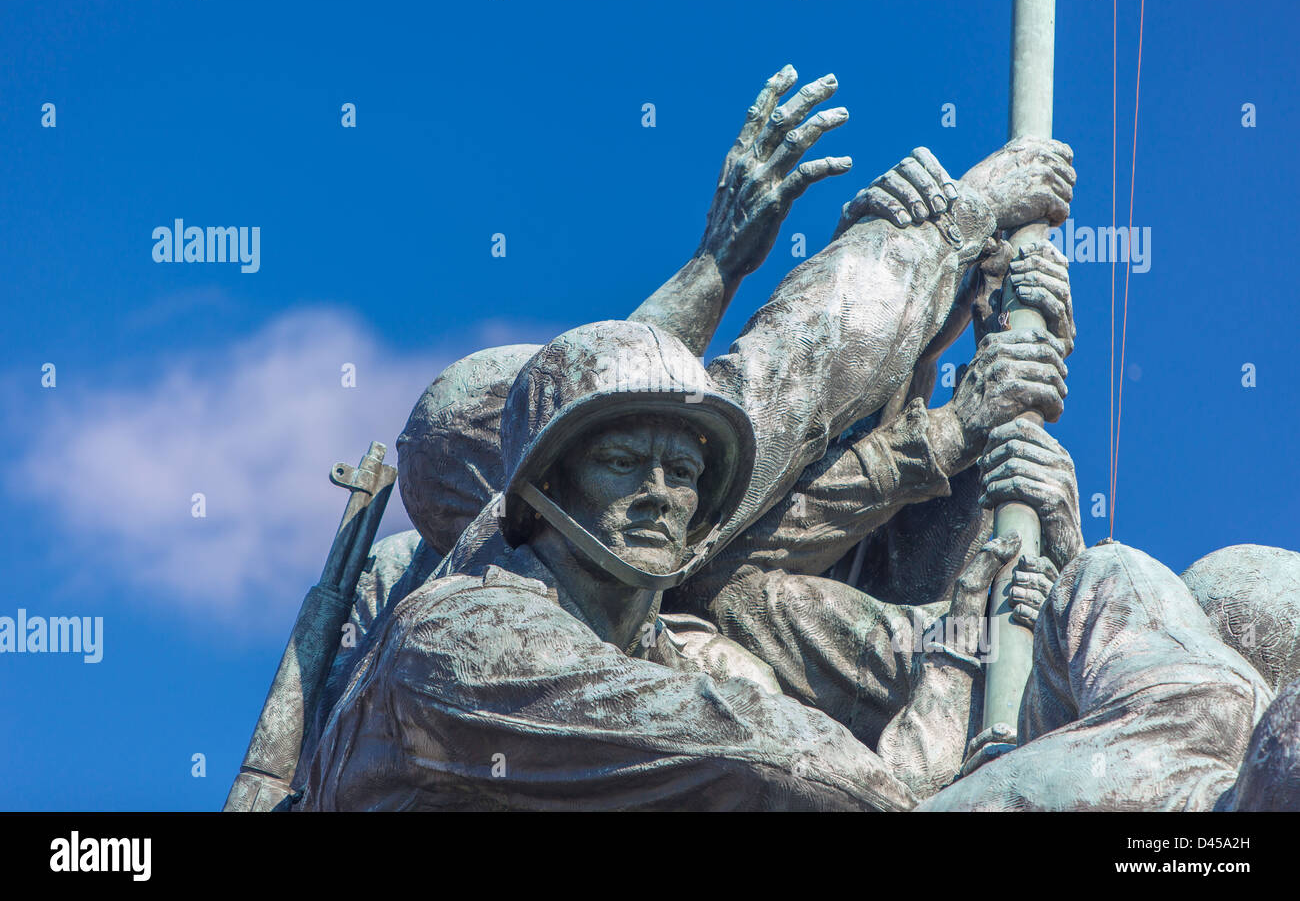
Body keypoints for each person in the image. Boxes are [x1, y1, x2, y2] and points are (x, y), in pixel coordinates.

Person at [299, 322, 1028, 809]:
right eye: (622, 464)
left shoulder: (675, 659)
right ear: (545, 484)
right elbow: (776, 757)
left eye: (682, 471)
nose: (659, 496)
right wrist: (952, 670)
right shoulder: (465, 636)